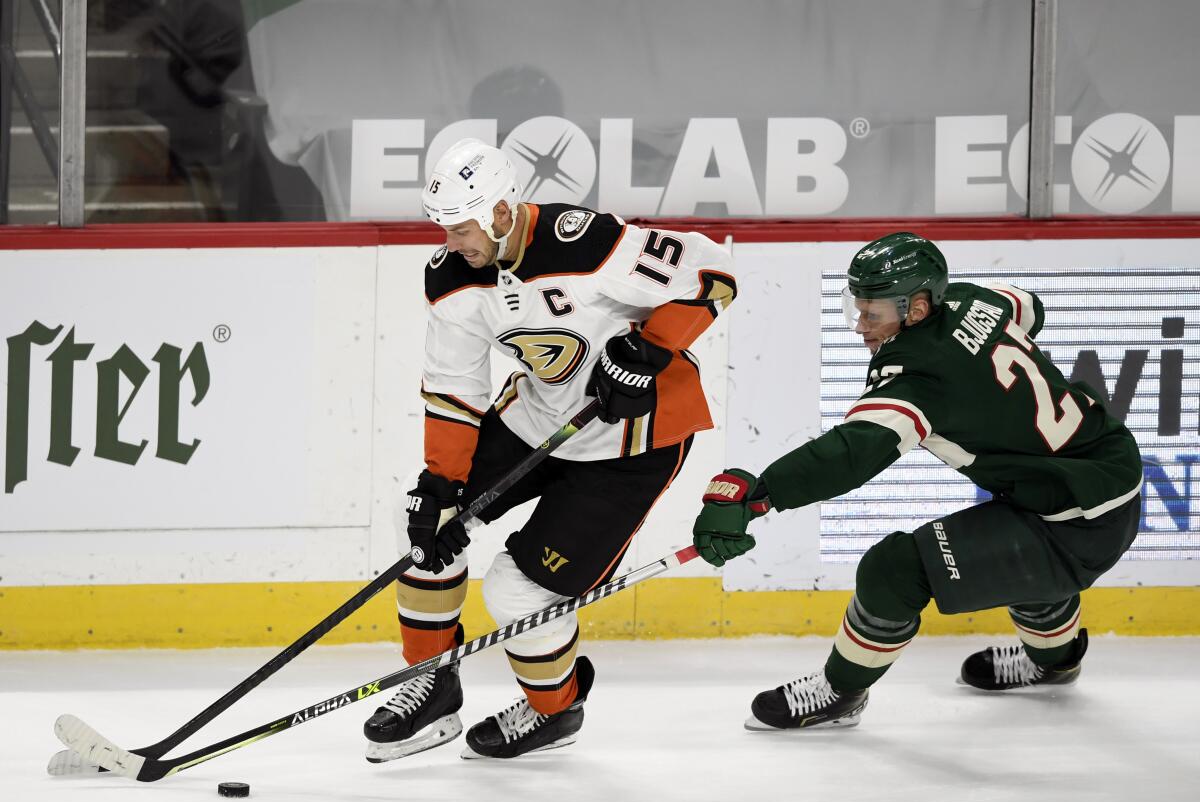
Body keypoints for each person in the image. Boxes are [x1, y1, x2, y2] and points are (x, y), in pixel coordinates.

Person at [363, 138, 737, 760]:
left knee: (518, 592)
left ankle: (553, 711)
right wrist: (441, 481)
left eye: (462, 229)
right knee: (426, 525)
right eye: (445, 229)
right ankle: (429, 684)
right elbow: (455, 388)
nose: (452, 243)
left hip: (631, 442)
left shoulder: (583, 241)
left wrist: (646, 351)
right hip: (536, 421)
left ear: (502, 212)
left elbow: (713, 275)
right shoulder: (453, 278)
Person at [692, 232, 1142, 730]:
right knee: (1013, 549)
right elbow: (1031, 308)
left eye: (874, 313)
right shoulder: (973, 298)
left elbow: (850, 454)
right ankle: (1056, 663)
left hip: (1077, 515)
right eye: (858, 309)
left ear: (919, 307)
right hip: (1102, 470)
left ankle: (840, 692)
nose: (862, 326)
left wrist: (761, 493)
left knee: (894, 570)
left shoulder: (915, 377)